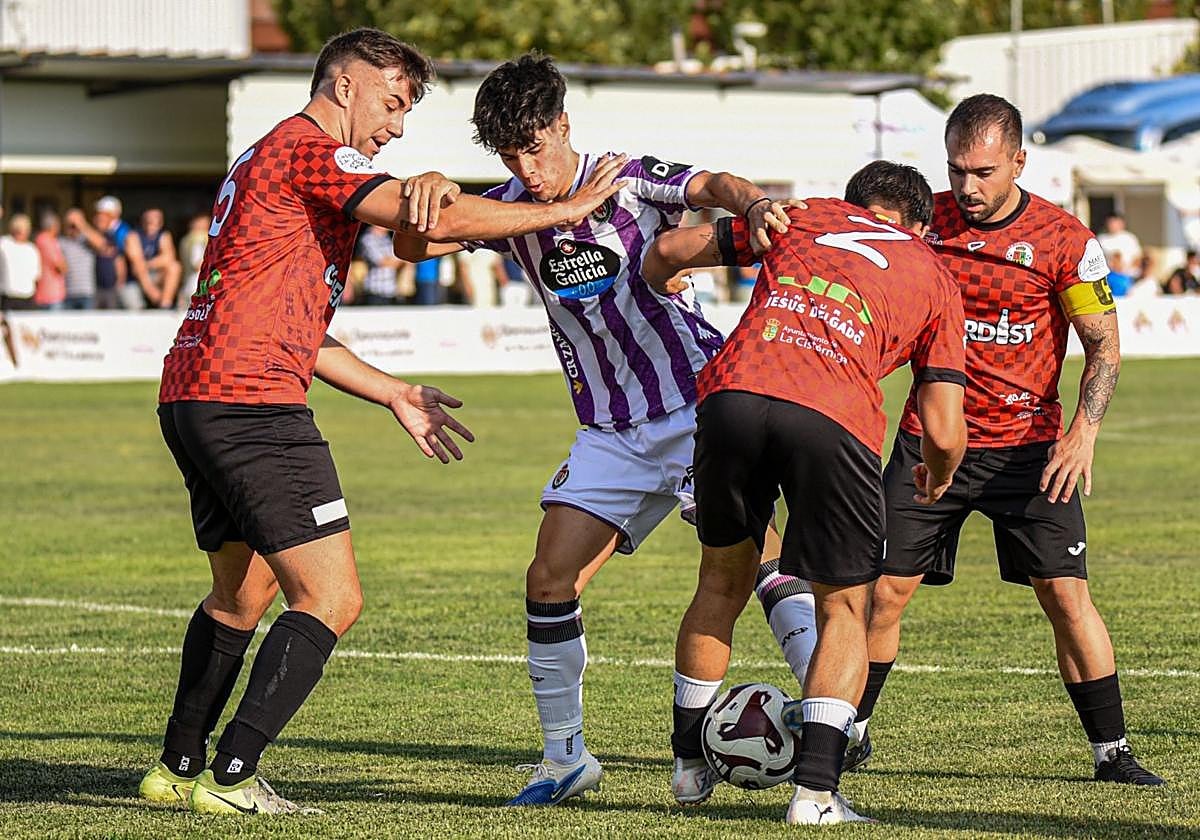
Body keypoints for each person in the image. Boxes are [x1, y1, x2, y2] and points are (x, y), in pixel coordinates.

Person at [139, 28, 626, 816]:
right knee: (332, 599)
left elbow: (298, 323)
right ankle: (231, 780)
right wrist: (568, 208)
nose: (395, 126)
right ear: (345, 86)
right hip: (253, 404)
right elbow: (417, 214)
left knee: (243, 593)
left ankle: (176, 765)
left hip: (196, 391)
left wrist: (393, 390)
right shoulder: (307, 148)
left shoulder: (261, 161)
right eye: (393, 103)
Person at [393, 52, 801, 807]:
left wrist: (752, 205)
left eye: (534, 147)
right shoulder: (513, 209)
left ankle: (833, 724)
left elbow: (709, 185)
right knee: (549, 579)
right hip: (609, 432)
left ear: (563, 126)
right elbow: (414, 245)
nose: (527, 166)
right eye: (510, 154)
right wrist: (428, 192)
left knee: (761, 563)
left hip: (694, 410)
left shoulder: (626, 176)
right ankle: (565, 759)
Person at [646, 161, 968, 825]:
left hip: (733, 392)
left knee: (719, 582)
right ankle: (816, 795)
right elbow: (942, 426)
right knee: (845, 607)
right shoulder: (935, 276)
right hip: (830, 413)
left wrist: (664, 281)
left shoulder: (806, 216)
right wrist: (938, 472)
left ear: (853, 204)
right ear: (919, 224)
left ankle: (685, 767)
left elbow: (667, 251)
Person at [856, 94, 1164, 787]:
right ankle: (852, 732)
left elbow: (1104, 349)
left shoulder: (1064, 241)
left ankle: (1111, 753)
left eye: (984, 171)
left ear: (1019, 161)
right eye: (956, 168)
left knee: (1064, 594)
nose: (967, 186)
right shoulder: (920, 223)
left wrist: (1084, 431)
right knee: (883, 592)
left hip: (1031, 451)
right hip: (931, 442)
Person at [66, 197, 156, 310]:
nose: (98, 217)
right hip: (103, 288)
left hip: (125, 285)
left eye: (102, 214)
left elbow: (132, 259)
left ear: (113, 215)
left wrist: (82, 224)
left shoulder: (123, 231)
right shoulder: (104, 231)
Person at [138, 208, 183, 308]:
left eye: (155, 220)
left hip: (154, 273)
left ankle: (165, 304)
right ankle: (158, 301)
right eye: (148, 220)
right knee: (139, 270)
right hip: (138, 278)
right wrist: (152, 292)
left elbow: (168, 258)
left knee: (174, 267)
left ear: (160, 222)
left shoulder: (164, 236)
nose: (151, 223)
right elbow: (137, 265)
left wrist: (148, 263)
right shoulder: (134, 236)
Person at [0, 213, 42, 310]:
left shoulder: (32, 249)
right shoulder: (4, 243)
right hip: (8, 298)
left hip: (27, 298)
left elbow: (37, 276)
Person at [60, 211, 97, 310]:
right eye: (70, 225)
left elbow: (102, 245)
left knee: (89, 324)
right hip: (68, 293)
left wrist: (81, 225)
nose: (73, 228)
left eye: (75, 225)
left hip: (86, 293)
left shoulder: (87, 240)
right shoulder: (62, 242)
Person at [357, 224, 402, 304]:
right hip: (375, 290)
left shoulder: (386, 238)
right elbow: (381, 261)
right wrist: (397, 261)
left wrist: (396, 260)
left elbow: (398, 258)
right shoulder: (367, 239)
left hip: (390, 290)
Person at [33, 211, 67, 310]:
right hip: (51, 294)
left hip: (42, 292)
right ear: (54, 226)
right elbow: (61, 267)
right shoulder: (47, 241)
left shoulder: (38, 240)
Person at [178, 214, 210, 303]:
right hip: (196, 285)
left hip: (189, 285)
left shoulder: (186, 239)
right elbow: (197, 265)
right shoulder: (199, 238)